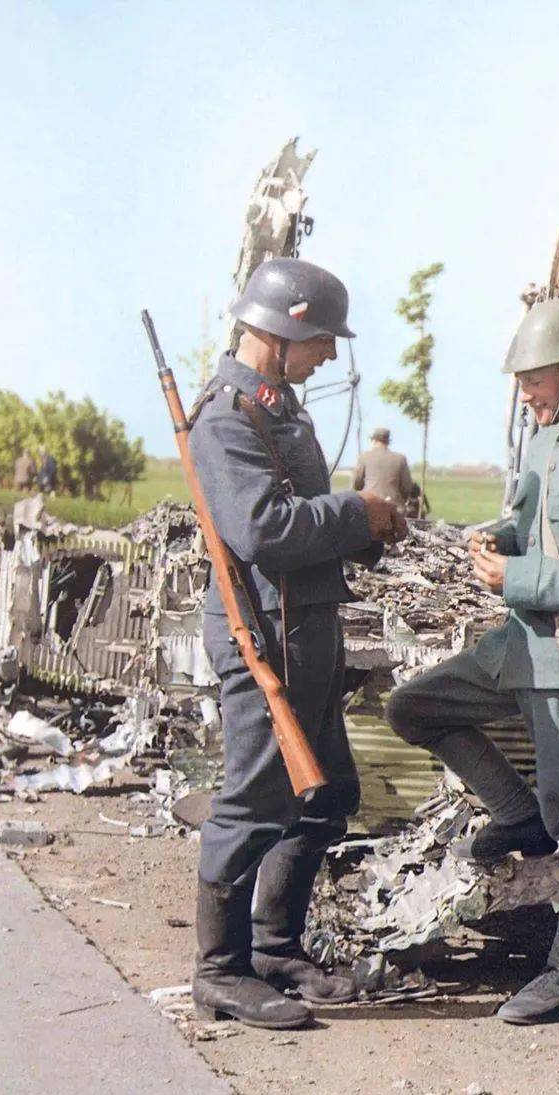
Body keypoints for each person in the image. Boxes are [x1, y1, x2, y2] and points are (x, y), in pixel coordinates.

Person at [386, 298, 559, 1025]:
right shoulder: (545, 442)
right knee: (413, 707)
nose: (526, 395)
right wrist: (500, 539)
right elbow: (531, 523)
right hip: (519, 644)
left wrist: (513, 578)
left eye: (534, 380)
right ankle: (516, 815)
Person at [188, 257, 408, 1031]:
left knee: (326, 800)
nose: (331, 355)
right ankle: (219, 971)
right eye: (320, 338)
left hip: (308, 636)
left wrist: (370, 528)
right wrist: (357, 514)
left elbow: (308, 518)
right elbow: (264, 531)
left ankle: (275, 948)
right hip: (262, 645)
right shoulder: (223, 419)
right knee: (251, 808)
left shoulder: (282, 413)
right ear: (277, 332)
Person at [351, 427, 415, 510]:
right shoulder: (400, 459)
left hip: (369, 505)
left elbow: (357, 483)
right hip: (394, 507)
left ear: (373, 440)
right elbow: (407, 487)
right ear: (388, 442)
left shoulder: (364, 457)